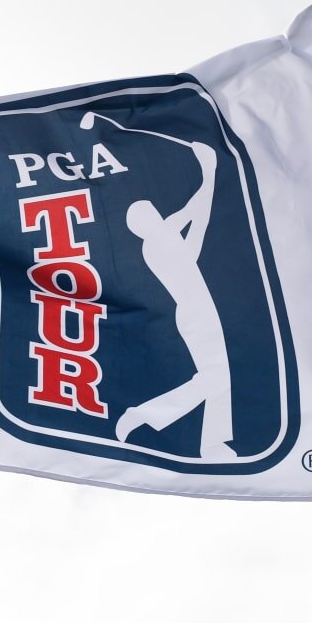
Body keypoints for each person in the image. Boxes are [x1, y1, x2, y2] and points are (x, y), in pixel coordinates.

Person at [112, 141, 235, 458]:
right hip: (194, 311)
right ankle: (145, 415)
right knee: (216, 376)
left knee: (219, 375)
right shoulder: (157, 242)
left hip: (199, 308)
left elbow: (197, 218)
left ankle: (212, 443)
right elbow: (195, 217)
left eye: (152, 209)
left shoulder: (164, 236)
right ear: (142, 226)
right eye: (148, 213)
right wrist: (209, 171)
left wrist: (209, 173)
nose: (156, 212)